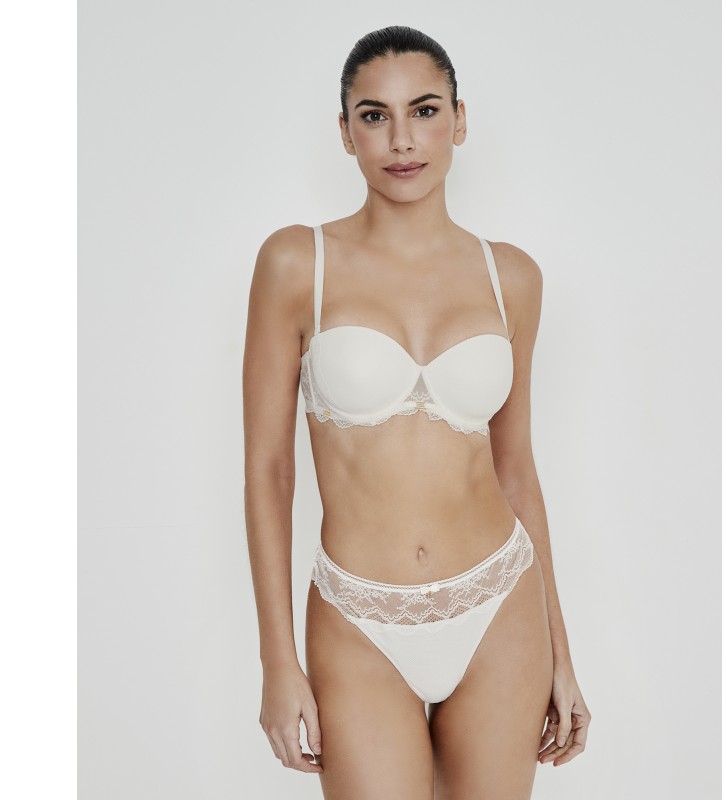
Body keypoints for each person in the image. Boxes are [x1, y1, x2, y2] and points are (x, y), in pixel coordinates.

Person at [242, 25, 591, 799]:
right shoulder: (297, 264)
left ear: (459, 121)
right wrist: (277, 662)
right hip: (357, 620)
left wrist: (562, 654)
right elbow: (268, 471)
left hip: (500, 606)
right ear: (346, 133)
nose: (401, 139)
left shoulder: (512, 278)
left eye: (425, 110)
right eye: (374, 116)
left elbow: (516, 470)